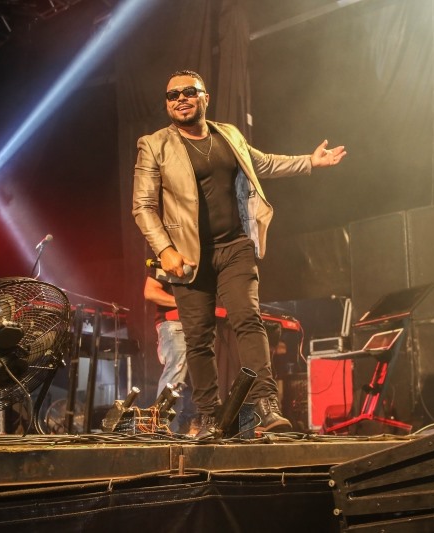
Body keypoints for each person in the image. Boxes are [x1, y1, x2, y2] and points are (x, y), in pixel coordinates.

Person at [132, 69, 346, 439]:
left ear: (205, 97)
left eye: (188, 92)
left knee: (248, 319)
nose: (180, 99)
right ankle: (210, 416)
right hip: (189, 257)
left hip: (235, 246)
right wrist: (164, 249)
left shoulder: (228, 134)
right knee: (198, 339)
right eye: (172, 95)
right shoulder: (154, 145)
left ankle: (265, 402)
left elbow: (263, 164)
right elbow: (143, 206)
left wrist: (310, 162)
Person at [143, 275, 197, 434]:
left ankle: (183, 432)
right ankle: (162, 432)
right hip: (175, 323)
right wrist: (185, 303)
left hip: (197, 326)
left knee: (195, 383)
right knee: (175, 378)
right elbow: (150, 291)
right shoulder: (167, 261)